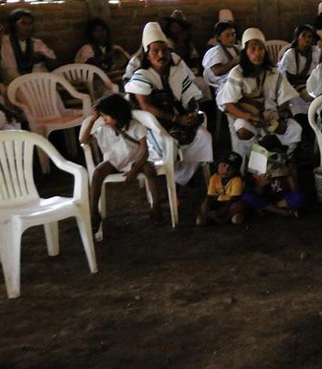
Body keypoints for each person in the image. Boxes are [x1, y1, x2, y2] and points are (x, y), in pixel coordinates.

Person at [125, 22, 213, 185]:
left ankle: (180, 177)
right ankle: (174, 178)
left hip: (178, 121)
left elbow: (191, 96)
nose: (161, 55)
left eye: (164, 50)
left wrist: (192, 113)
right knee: (168, 144)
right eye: (155, 51)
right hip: (153, 126)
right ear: (147, 54)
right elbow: (145, 106)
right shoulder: (142, 75)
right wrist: (176, 119)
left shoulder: (176, 72)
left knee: (203, 137)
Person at [79, 93, 163, 233]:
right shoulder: (103, 129)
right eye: (102, 116)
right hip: (115, 161)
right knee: (98, 172)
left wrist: (135, 170)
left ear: (117, 114)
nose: (103, 119)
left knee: (149, 169)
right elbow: (83, 140)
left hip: (136, 160)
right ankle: (94, 212)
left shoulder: (136, 127)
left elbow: (144, 153)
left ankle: (156, 207)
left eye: (106, 116)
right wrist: (93, 119)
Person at [217, 27, 303, 160]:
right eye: (252, 49)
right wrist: (250, 117)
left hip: (269, 115)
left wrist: (277, 115)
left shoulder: (273, 73)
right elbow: (228, 104)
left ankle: (281, 160)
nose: (257, 53)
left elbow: (285, 98)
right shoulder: (237, 73)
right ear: (245, 51)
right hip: (246, 117)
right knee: (243, 130)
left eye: (261, 48)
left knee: (295, 129)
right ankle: (261, 160)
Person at [0, 8, 58, 83]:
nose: (27, 27)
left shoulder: (36, 43)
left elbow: (54, 64)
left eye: (30, 23)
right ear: (14, 24)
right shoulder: (2, 41)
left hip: (36, 81)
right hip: (14, 83)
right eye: (23, 23)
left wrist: (42, 57)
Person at [242, 134, 305, 219]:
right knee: (247, 197)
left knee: (299, 197)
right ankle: (282, 212)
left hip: (282, 199)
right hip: (265, 197)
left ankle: (268, 208)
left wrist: (289, 175)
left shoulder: (287, 164)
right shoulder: (257, 167)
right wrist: (261, 184)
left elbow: (295, 190)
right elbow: (257, 193)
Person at [277, 24, 321, 121]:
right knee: (298, 104)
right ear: (297, 37)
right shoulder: (290, 54)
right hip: (293, 86)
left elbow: (319, 72)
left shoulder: (316, 52)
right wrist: (301, 88)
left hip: (311, 85)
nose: (307, 39)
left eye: (309, 36)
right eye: (303, 36)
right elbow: (288, 78)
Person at [75, 18, 130, 84]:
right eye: (96, 31)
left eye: (102, 30)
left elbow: (129, 63)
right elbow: (89, 67)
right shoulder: (87, 48)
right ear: (91, 34)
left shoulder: (115, 48)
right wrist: (106, 57)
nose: (100, 34)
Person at [198, 152, 246, 226]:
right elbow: (210, 195)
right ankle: (213, 217)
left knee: (238, 206)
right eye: (224, 166)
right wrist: (206, 205)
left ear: (236, 170)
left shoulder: (237, 180)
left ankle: (222, 219)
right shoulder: (214, 177)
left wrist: (221, 211)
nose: (226, 170)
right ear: (218, 165)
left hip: (230, 203)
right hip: (218, 202)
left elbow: (234, 199)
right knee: (204, 205)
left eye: (230, 168)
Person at [202, 21, 240, 89]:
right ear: (218, 37)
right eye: (227, 35)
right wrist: (234, 62)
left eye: (233, 34)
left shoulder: (238, 48)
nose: (231, 38)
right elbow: (217, 71)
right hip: (224, 84)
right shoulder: (215, 52)